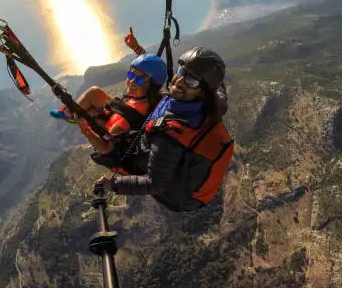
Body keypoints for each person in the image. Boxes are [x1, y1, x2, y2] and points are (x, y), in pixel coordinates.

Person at [82, 46, 234, 212]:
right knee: (110, 116)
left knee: (108, 147)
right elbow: (218, 86)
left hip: (175, 194)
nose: (180, 81)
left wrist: (113, 184)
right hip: (167, 151)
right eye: (182, 72)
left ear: (203, 93)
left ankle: (85, 129)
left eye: (191, 81)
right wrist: (139, 52)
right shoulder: (215, 103)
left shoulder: (171, 135)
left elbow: (155, 184)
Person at [49, 27, 167, 152]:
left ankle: (73, 115)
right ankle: (70, 112)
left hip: (114, 125)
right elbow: (152, 67)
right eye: (131, 75)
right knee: (94, 92)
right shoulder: (151, 94)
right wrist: (136, 48)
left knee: (90, 113)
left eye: (138, 80)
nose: (131, 82)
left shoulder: (121, 124)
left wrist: (85, 130)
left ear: (152, 85)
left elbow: (107, 151)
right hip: (124, 110)